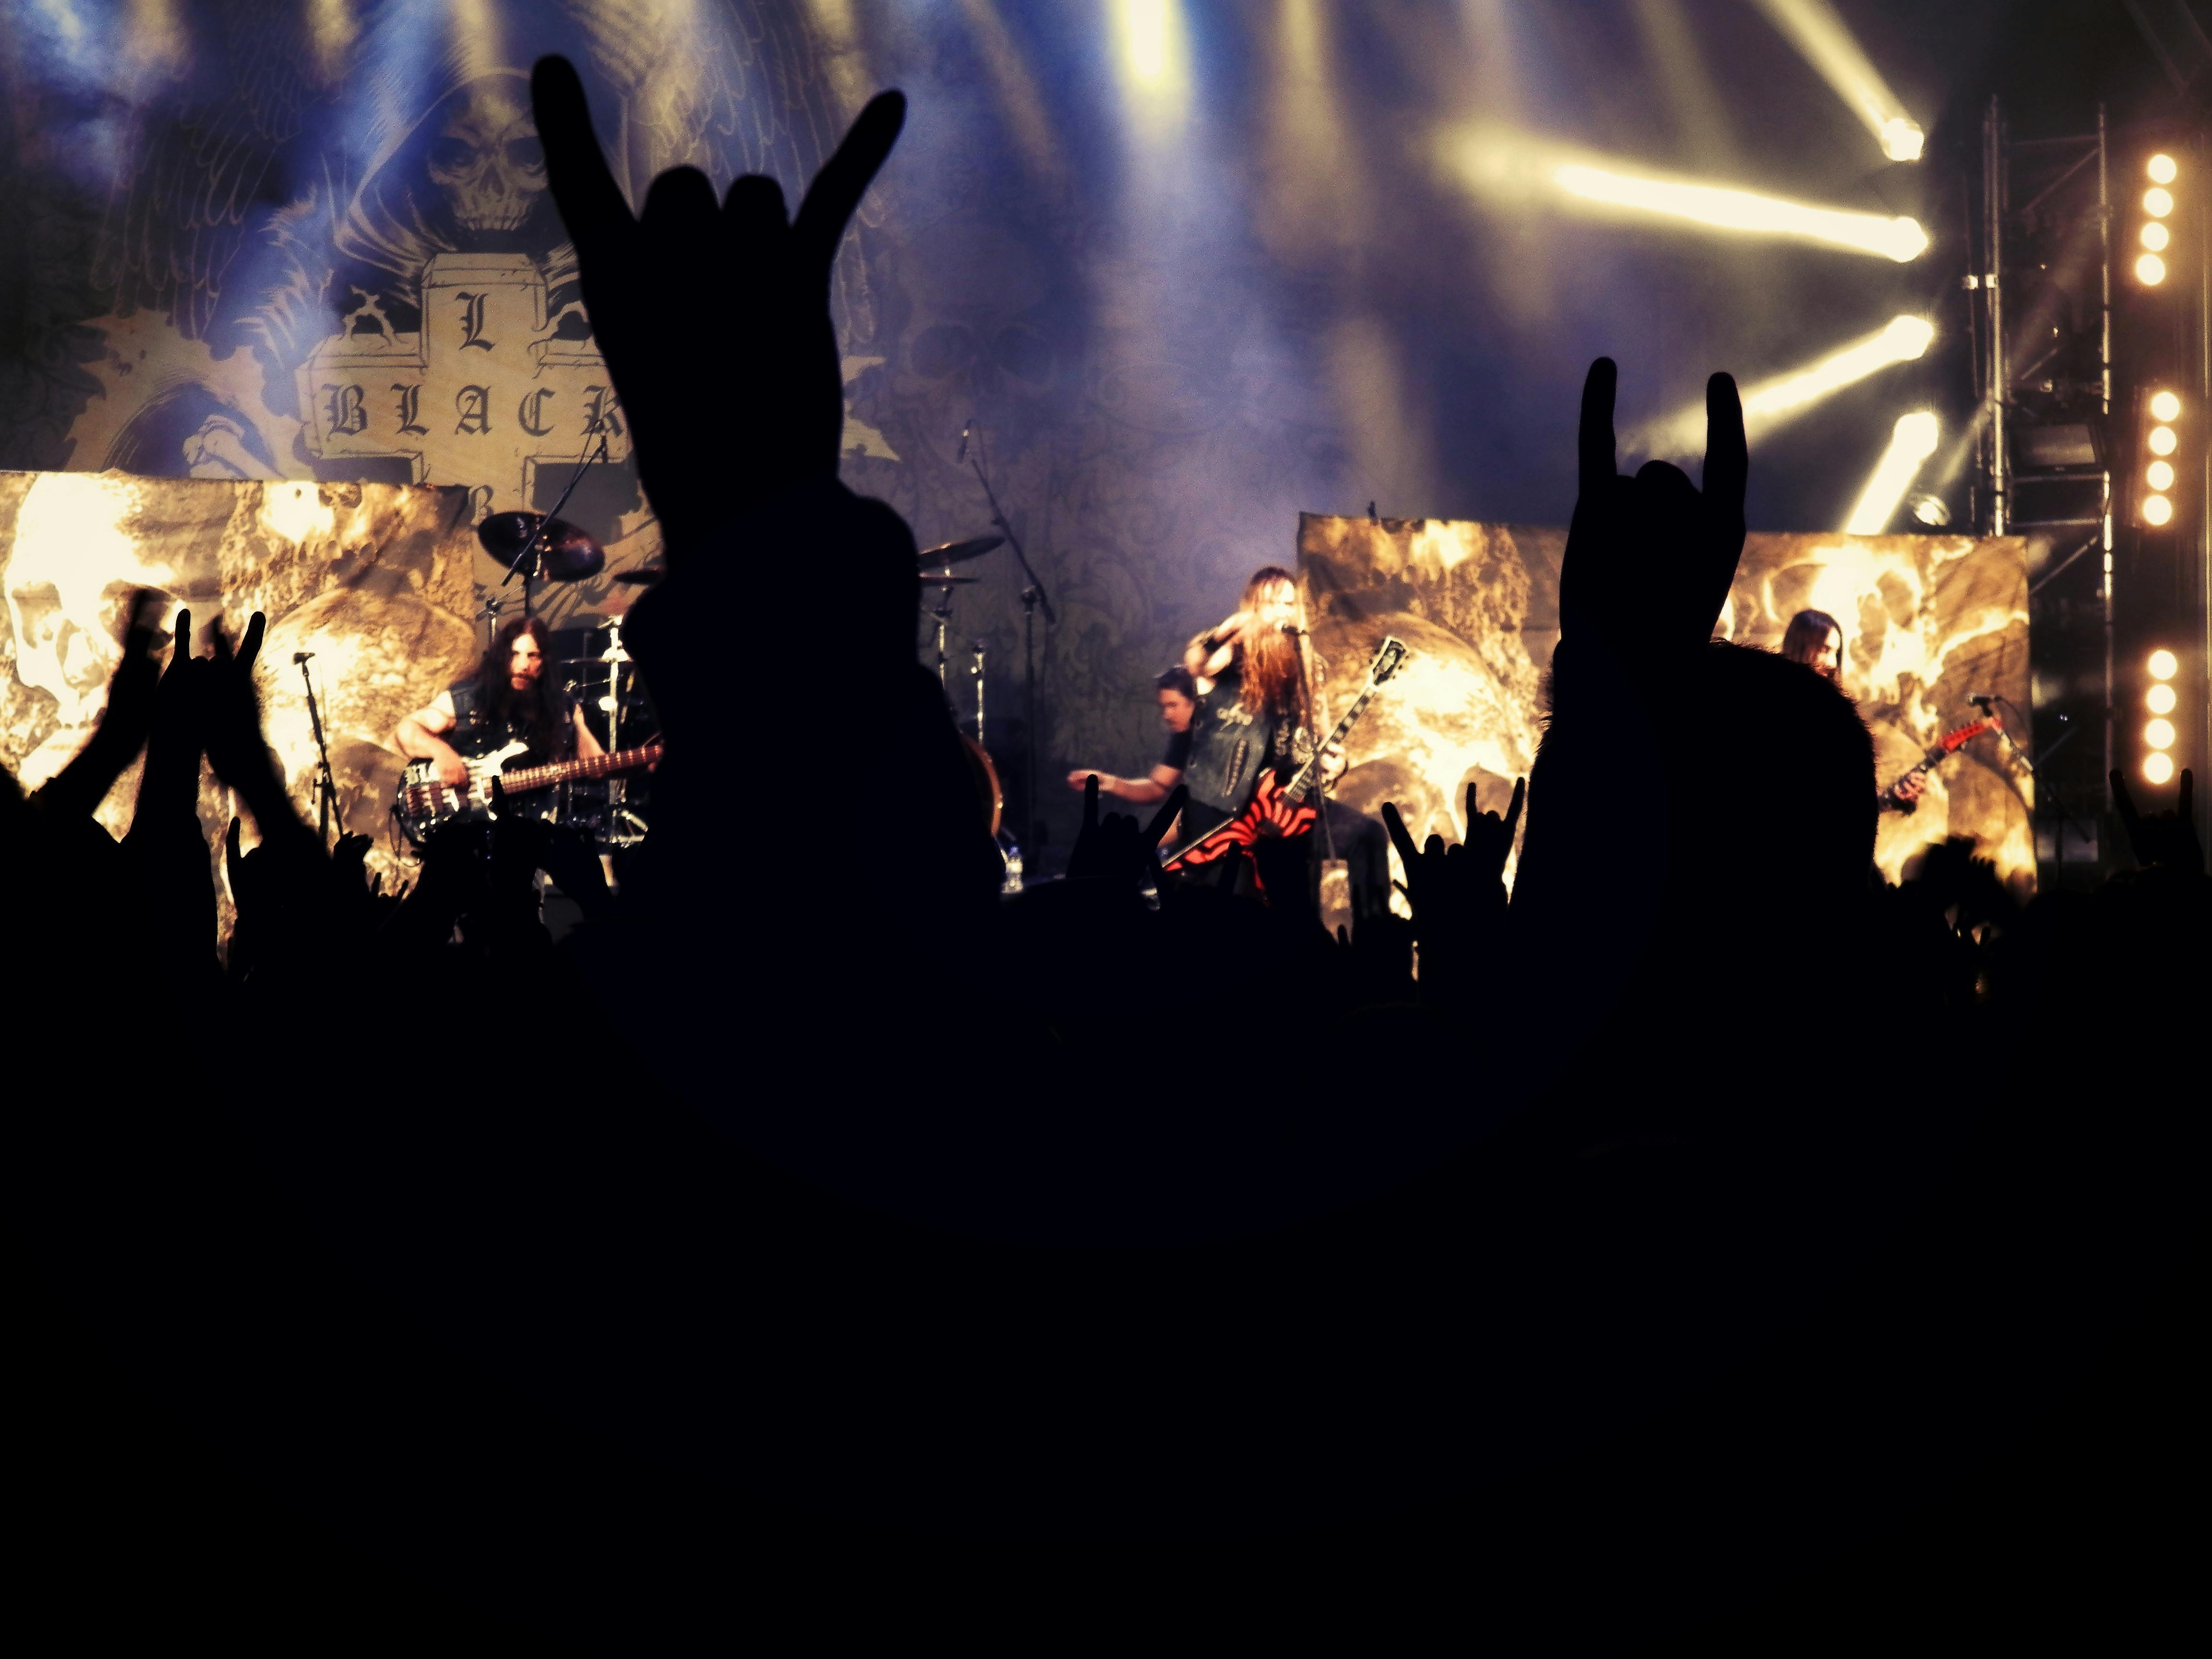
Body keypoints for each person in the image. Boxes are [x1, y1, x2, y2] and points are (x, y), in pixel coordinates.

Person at [1176, 565, 1344, 842]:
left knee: (1367, 836)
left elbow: (1324, 737)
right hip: (1224, 804)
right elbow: (1197, 665)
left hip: (1279, 807)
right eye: (1271, 603)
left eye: (1288, 604)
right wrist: (1222, 635)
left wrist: (1338, 763)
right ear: (1254, 608)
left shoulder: (1309, 666)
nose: (1281, 612)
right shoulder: (1233, 652)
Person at [395, 614, 603, 790]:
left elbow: (596, 768)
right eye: (515, 654)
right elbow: (406, 730)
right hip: (467, 823)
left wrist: (577, 721)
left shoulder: (562, 708)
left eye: (533, 656)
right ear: (502, 657)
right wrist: (441, 752)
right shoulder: (469, 699)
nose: (523, 665)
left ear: (544, 663)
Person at [1781, 607, 1924, 810]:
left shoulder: (1835, 720)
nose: (1832, 663)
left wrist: (1892, 800)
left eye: (1836, 653)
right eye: (1824, 649)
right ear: (1801, 646)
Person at [1064, 665, 1198, 806]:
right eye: (1164, 707)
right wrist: (1105, 781)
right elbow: (1156, 789)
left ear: (1197, 702)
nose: (1167, 715)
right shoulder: (1183, 737)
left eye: (1173, 705)